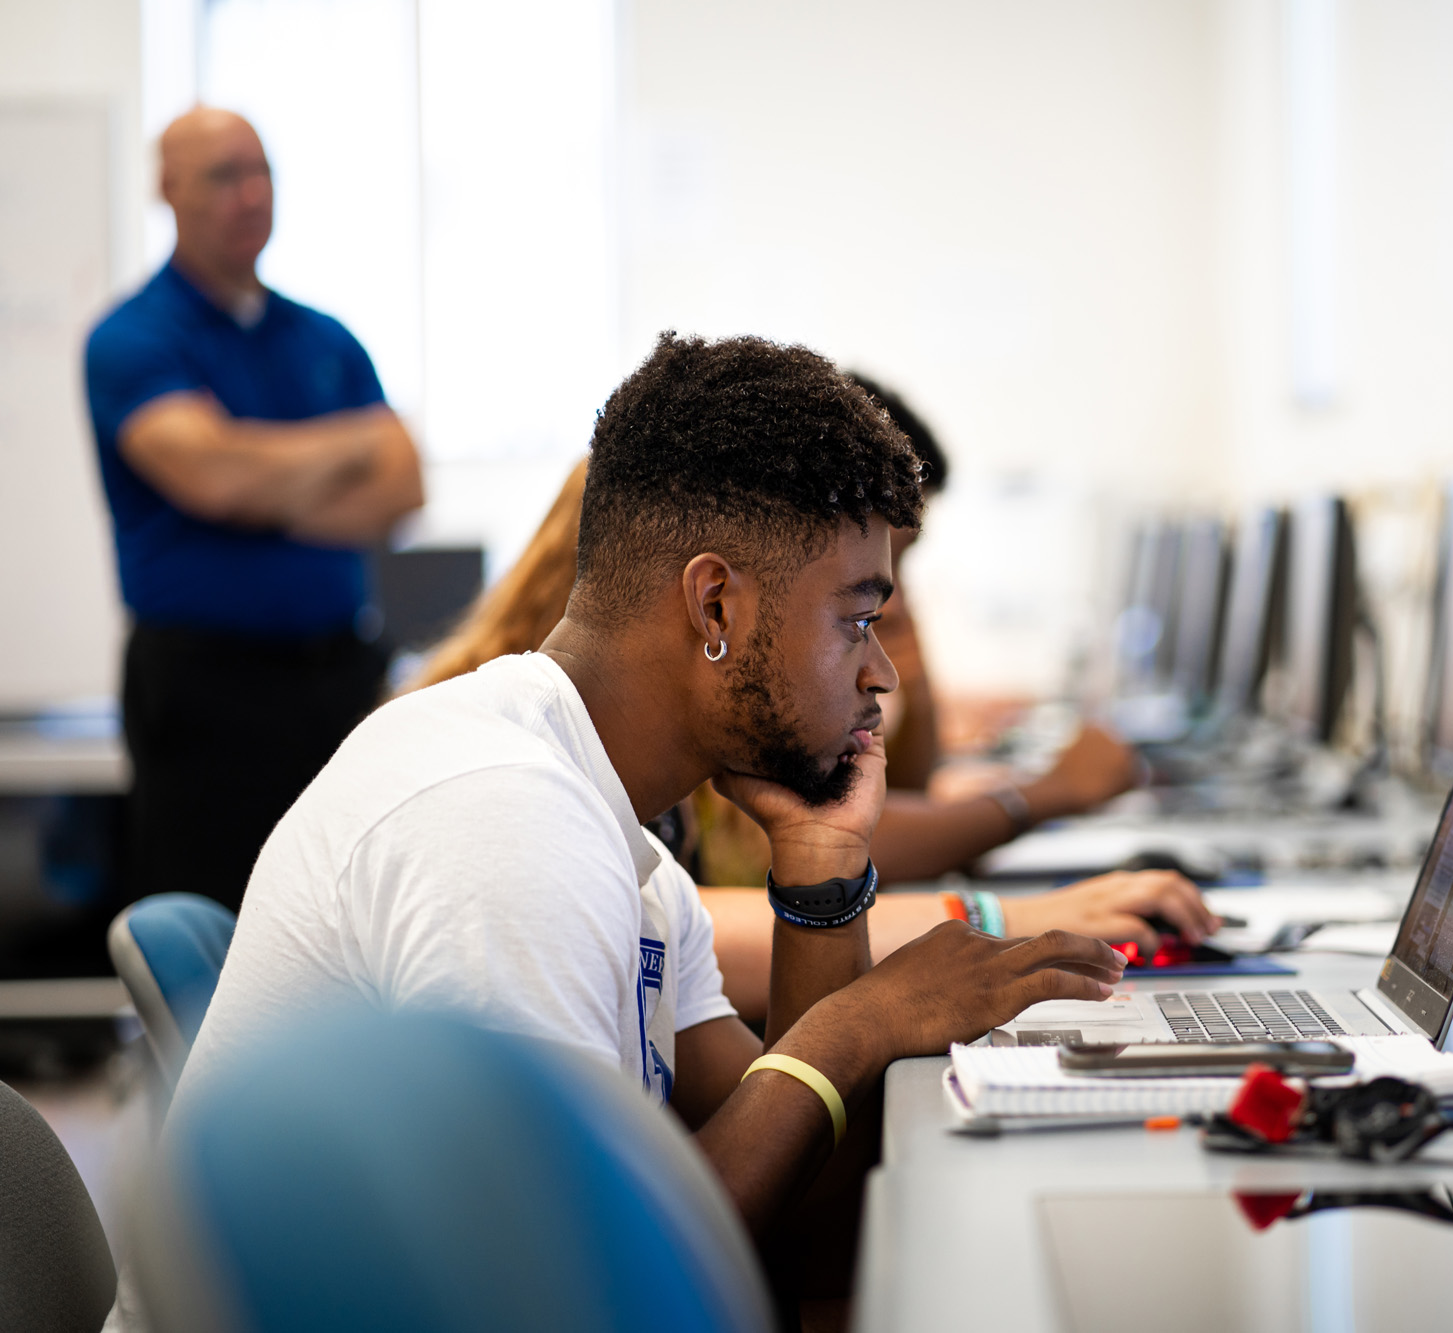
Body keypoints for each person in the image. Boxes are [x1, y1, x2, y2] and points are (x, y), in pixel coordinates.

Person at [174, 332, 1129, 1261]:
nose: (879, 671)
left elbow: (805, 1213)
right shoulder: (504, 817)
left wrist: (825, 872)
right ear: (715, 606)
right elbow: (586, 1280)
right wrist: (864, 1020)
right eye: (857, 619)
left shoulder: (621, 843)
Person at [406, 394, 1212, 1022]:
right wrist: (971, 931)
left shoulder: (646, 814)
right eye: (860, 610)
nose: (885, 656)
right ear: (717, 601)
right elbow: (715, 932)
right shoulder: (517, 802)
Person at [83, 108, 423, 910]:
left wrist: (254, 481)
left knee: (349, 919)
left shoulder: (324, 337)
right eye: (222, 176)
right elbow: (211, 478)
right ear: (167, 190)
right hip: (205, 694)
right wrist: (344, 448)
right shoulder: (131, 338)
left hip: (338, 680)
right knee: (214, 935)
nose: (250, 195)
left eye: (261, 171)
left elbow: (403, 484)